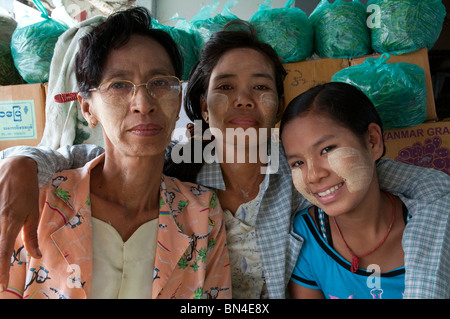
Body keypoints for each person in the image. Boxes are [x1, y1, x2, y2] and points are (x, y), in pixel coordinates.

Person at [1, 20, 449, 299]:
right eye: (225, 87)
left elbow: (418, 184)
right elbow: (93, 156)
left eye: (261, 87)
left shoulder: (303, 167)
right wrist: (20, 159)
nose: (244, 101)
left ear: (278, 103)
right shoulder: (181, 163)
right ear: (198, 102)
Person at [0, 7, 231, 299]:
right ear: (88, 109)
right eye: (119, 85)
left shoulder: (202, 213)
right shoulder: (40, 202)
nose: (143, 103)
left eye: (160, 83)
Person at [281, 82, 450, 299]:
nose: (313, 175)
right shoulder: (305, 237)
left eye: (326, 149)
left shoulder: (438, 225)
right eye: (297, 163)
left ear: (372, 141)